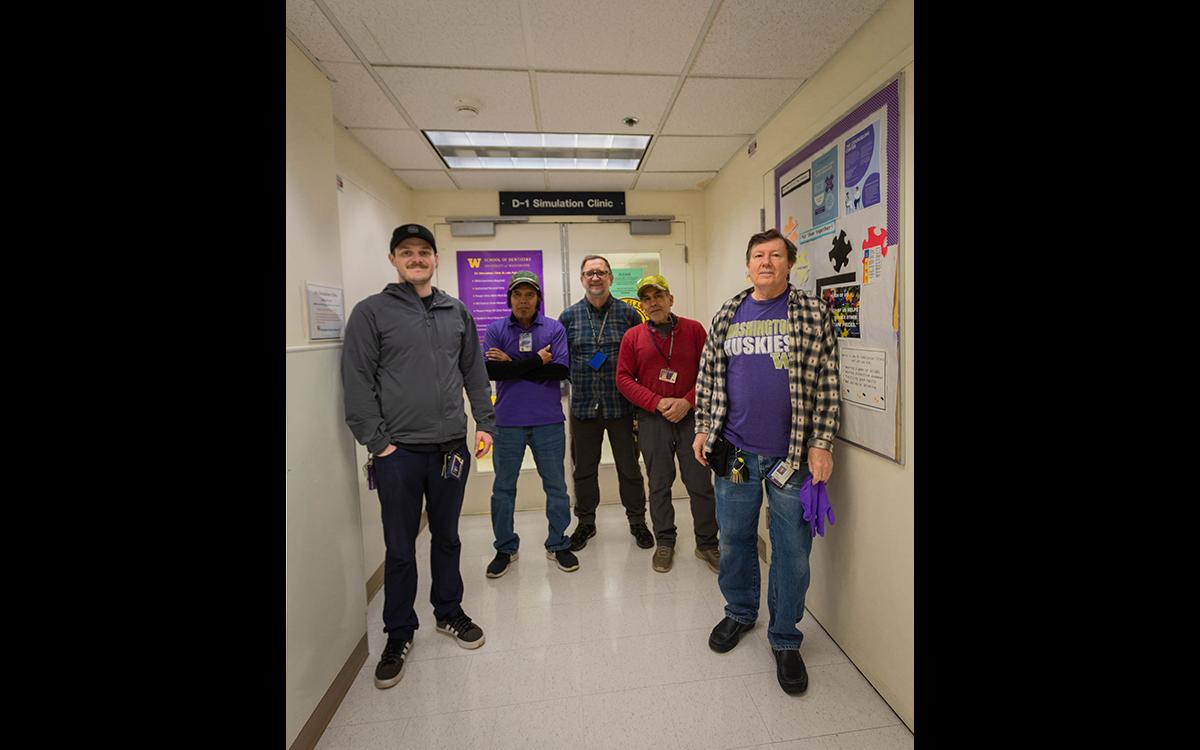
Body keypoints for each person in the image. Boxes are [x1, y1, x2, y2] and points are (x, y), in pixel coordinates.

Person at [341, 223, 496, 690]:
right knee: (401, 545)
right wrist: (378, 443)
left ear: (434, 257)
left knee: (448, 536)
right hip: (399, 453)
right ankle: (399, 633)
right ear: (393, 259)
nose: (416, 258)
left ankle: (449, 612)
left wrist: (484, 422)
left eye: (424, 251)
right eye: (406, 252)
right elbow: (357, 381)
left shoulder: (456, 311)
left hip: (450, 447)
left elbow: (473, 370)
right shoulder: (372, 313)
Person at [692, 228, 840, 696]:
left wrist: (822, 442)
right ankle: (739, 613)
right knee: (734, 539)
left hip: (792, 454)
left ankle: (785, 638)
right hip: (734, 451)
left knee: (791, 550)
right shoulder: (728, 314)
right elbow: (708, 377)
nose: (767, 262)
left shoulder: (812, 313)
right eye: (758, 255)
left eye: (776, 255)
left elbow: (828, 383)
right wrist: (702, 426)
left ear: (790, 264)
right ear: (748, 264)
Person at [615, 274, 720, 574]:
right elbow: (623, 378)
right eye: (646, 298)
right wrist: (657, 402)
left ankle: (707, 543)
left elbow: (710, 372)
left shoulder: (694, 330)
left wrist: (688, 400)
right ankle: (665, 541)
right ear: (643, 305)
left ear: (670, 299)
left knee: (700, 484)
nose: (653, 302)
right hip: (652, 420)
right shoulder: (633, 337)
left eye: (658, 295)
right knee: (659, 484)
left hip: (692, 418)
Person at [482, 271, 578, 577]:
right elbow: (492, 373)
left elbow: (559, 371)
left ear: (538, 298)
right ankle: (505, 547)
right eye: (517, 295)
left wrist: (512, 363)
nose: (523, 301)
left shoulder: (553, 328)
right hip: (507, 421)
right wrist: (537, 360)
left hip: (547, 420)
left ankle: (558, 542)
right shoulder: (497, 329)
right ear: (510, 298)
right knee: (503, 488)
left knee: (556, 487)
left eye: (529, 295)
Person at [558, 255, 651, 551]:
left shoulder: (629, 315)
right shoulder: (568, 317)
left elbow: (642, 360)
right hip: (584, 407)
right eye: (589, 273)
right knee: (583, 469)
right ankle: (586, 522)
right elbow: (561, 363)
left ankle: (637, 520)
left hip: (622, 407)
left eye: (600, 272)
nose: (595, 277)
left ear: (610, 277)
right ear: (581, 279)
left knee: (629, 468)